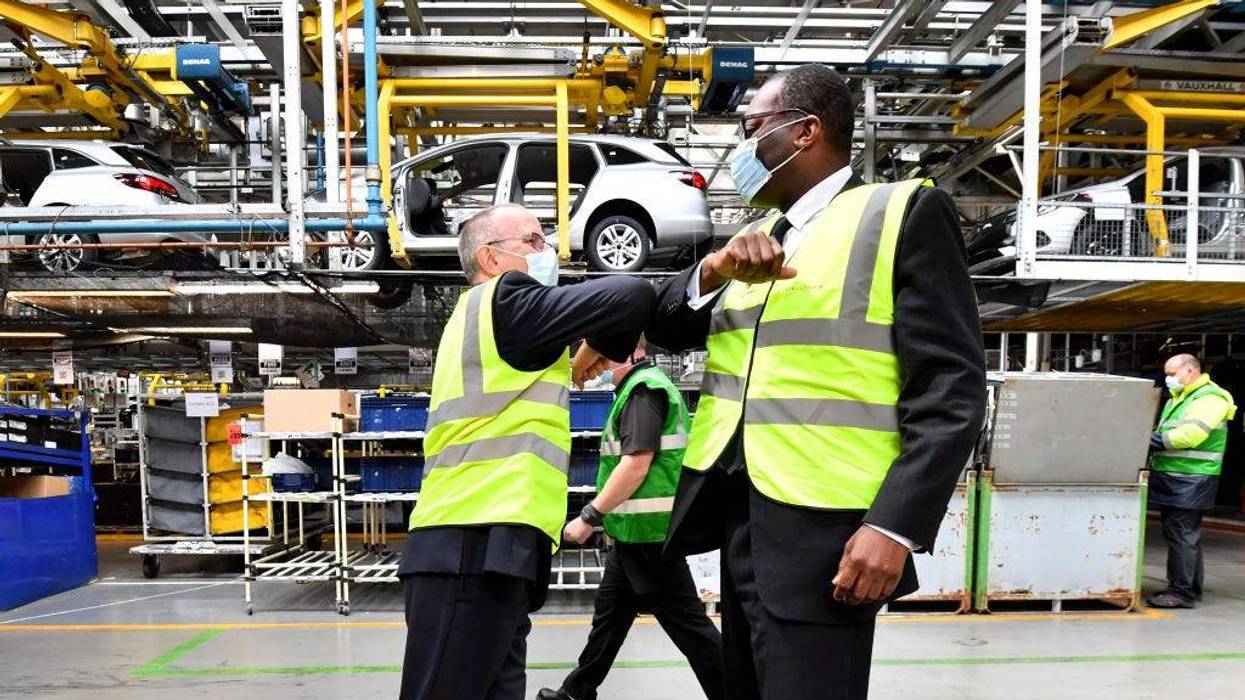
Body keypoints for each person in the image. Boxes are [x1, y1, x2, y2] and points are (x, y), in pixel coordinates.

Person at [577, 64, 986, 700]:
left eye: (752, 129)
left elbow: (952, 389)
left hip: (830, 528)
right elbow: (665, 325)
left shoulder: (900, 211)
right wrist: (711, 270)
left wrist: (895, 526)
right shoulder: (759, 237)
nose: (743, 148)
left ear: (805, 132)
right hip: (742, 518)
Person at [398, 203, 656, 700]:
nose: (549, 254)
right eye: (534, 242)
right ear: (491, 259)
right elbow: (632, 294)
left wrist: (584, 348)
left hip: (489, 543)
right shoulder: (506, 300)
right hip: (472, 540)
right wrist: (596, 344)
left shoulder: (479, 320)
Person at [538, 338, 724, 700]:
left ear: (632, 353)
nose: (598, 369)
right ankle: (576, 692)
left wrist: (589, 516)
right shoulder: (635, 390)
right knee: (609, 619)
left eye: (603, 358)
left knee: (693, 633)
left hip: (650, 539)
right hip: (632, 536)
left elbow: (636, 465)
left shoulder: (643, 391)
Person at [1147, 353, 1236, 609]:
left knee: (1182, 534)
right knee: (1184, 534)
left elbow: (1190, 436)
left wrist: (1145, 439)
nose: (1168, 379)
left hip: (1191, 479)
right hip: (1176, 476)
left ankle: (1181, 593)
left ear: (1190, 372)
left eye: (1173, 374)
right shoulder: (1182, 397)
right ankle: (1189, 588)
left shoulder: (1210, 398)